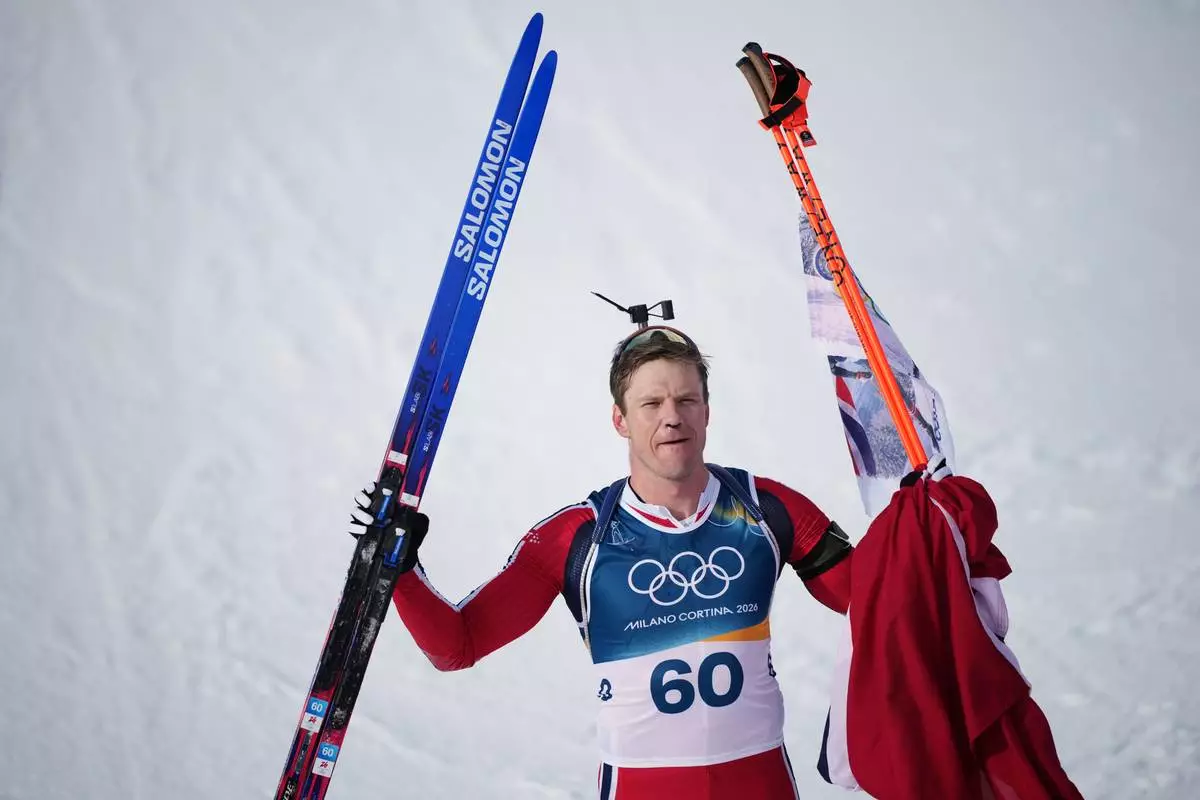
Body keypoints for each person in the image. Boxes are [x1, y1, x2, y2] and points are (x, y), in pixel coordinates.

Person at [357, 326, 856, 799]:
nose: (672, 417)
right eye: (651, 404)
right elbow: (458, 646)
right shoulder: (576, 539)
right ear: (620, 420)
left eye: (686, 400)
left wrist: (922, 520)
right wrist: (400, 573)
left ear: (707, 410)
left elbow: (874, 601)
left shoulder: (766, 510)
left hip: (759, 781)